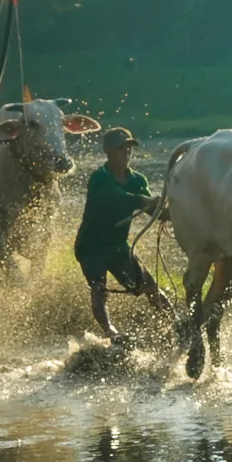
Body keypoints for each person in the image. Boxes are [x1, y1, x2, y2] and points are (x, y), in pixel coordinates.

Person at [73, 126, 169, 343]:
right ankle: (111, 333)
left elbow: (151, 209)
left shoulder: (138, 180)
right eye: (120, 148)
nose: (126, 153)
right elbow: (118, 198)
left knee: (151, 287)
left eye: (128, 148)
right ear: (107, 151)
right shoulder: (100, 178)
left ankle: (174, 323)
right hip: (91, 247)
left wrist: (168, 210)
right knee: (99, 290)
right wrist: (145, 201)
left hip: (118, 246)